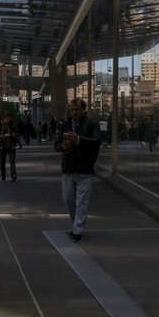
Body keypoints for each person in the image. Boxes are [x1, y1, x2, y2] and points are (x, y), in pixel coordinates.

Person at [55, 99, 101, 242]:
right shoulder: (65, 124)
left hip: (85, 168)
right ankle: (76, 226)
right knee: (68, 199)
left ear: (83, 110)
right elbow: (56, 145)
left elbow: (97, 141)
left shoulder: (92, 124)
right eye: (72, 109)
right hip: (69, 168)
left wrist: (79, 139)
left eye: (77, 109)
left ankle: (77, 230)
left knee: (81, 202)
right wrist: (63, 146)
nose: (74, 112)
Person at [0, 112, 19, 181]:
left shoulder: (13, 124)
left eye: (9, 118)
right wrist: (4, 136)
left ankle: (13, 175)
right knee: (2, 161)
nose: (8, 120)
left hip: (11, 145)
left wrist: (14, 134)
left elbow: (18, 133)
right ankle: (3, 175)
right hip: (2, 146)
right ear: (4, 118)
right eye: (7, 119)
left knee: (12, 161)